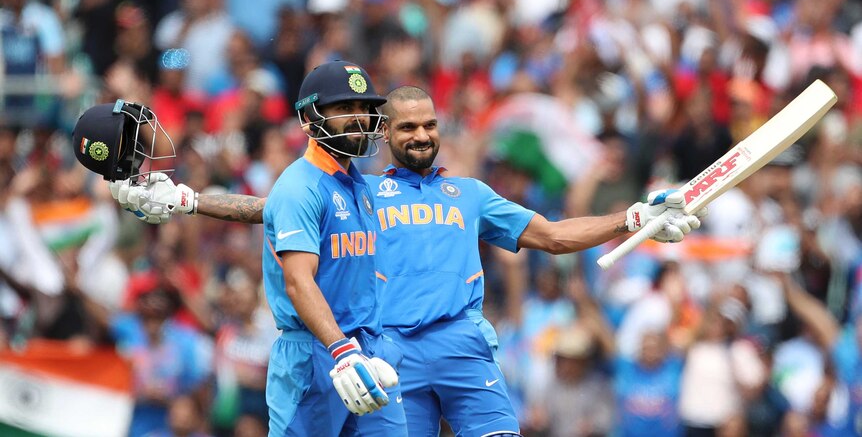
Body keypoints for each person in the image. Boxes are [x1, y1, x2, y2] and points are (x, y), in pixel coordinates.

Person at [103, 86, 706, 436]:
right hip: (389, 355)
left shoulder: (469, 194)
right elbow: (271, 208)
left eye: (431, 124)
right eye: (409, 126)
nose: (422, 134)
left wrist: (632, 218)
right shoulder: (359, 191)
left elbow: (552, 235)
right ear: (385, 132)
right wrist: (186, 199)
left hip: (465, 344)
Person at [72, 63, 407, 437]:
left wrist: (188, 199)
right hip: (319, 355)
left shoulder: (354, 185)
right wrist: (342, 352)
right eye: (346, 109)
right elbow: (298, 282)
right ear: (313, 119)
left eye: (364, 108)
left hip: (364, 349)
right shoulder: (300, 185)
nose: (360, 119)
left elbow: (265, 209)